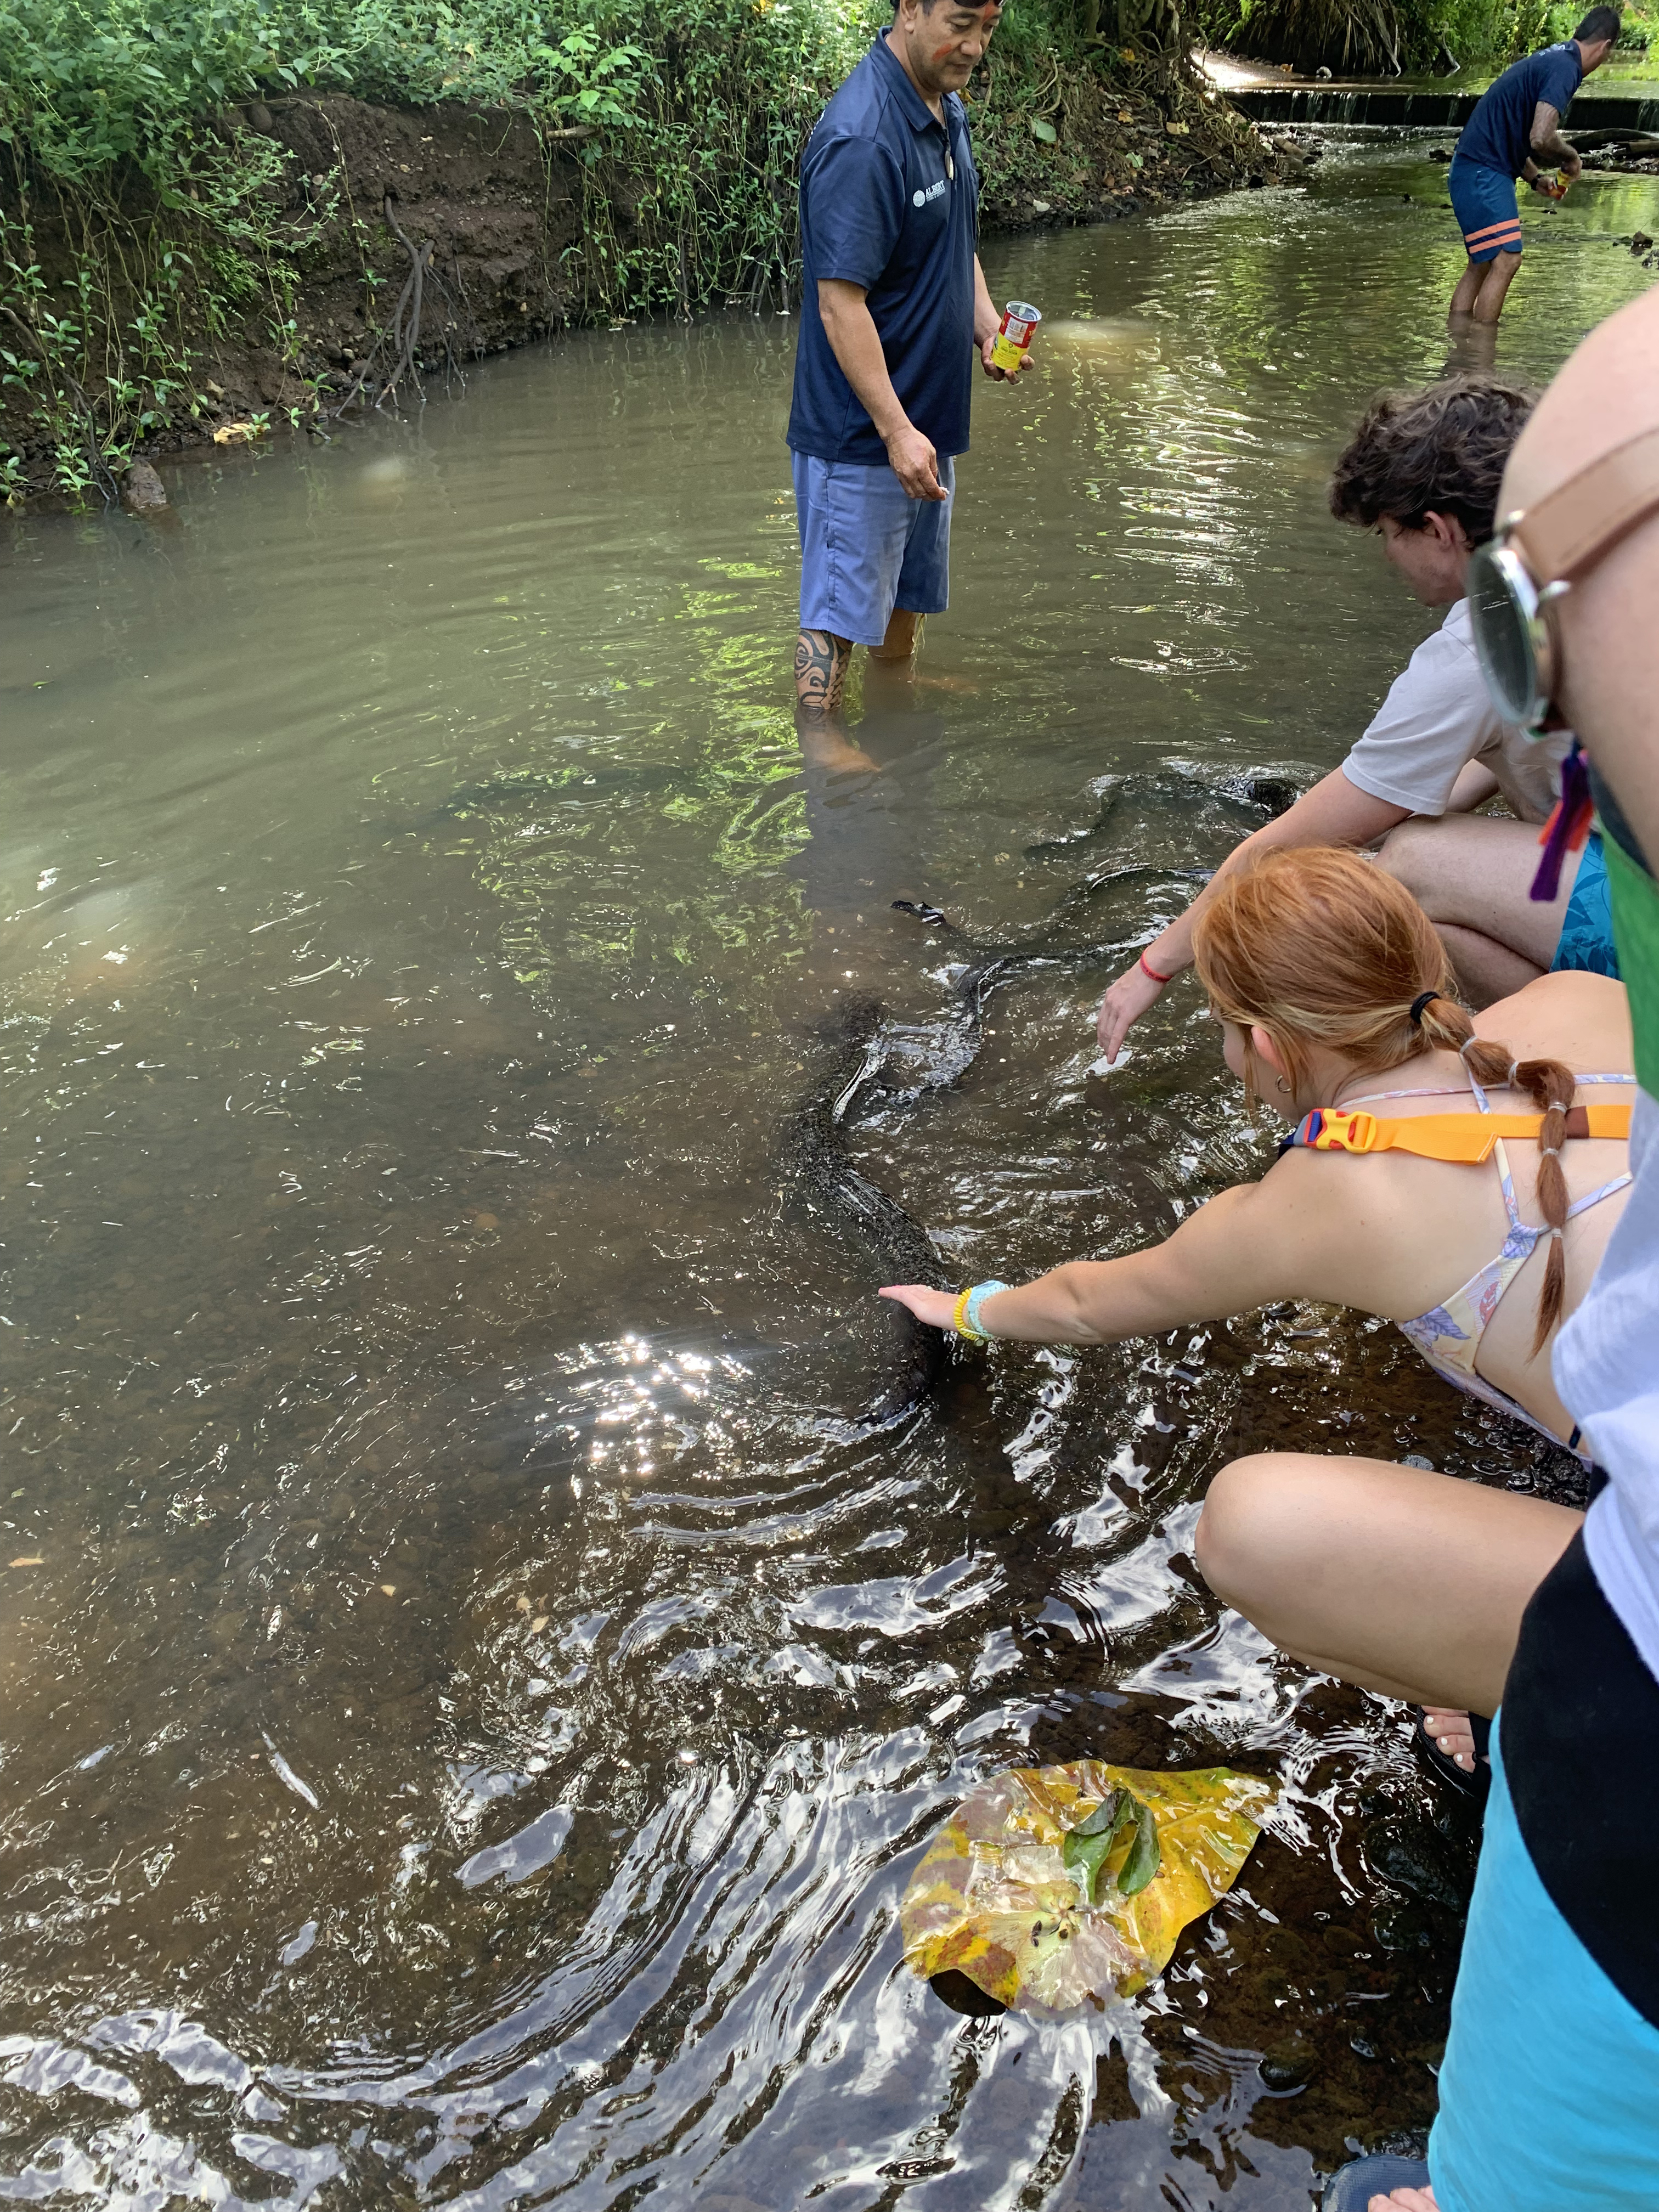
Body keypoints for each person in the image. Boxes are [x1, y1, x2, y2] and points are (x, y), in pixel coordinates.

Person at [1241, 288, 1659, 2212]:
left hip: (1629, 1720)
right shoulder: (1573, 1033)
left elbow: (1120, 1295)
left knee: (1252, 1522)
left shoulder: (1314, 1192)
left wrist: (980, 1305)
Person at [883, 841, 1632, 1478]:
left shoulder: (1319, 1200)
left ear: (1268, 1045)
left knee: (1251, 1520)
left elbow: (1087, 1305)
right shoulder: (1580, 994)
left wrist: (960, 1310)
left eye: (1223, 1028)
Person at [1094, 378, 1610, 1066]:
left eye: (1388, 533)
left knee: (1408, 868)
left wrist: (1152, 967)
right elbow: (1509, 755)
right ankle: (1578, 1028)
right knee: (1402, 856)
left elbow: (1280, 846)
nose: (1387, 557)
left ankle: (1596, 1040)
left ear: (1438, 530)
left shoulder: (1478, 647)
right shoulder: (1591, 559)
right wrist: (1381, 807)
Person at [786, 0, 1027, 729]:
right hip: (863, 435)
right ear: (910, 10)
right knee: (836, 606)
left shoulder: (942, 109)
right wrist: (894, 431)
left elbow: (951, 238)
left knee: (907, 590)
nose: (975, 45)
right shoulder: (865, 137)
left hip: (926, 419)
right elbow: (840, 305)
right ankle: (820, 742)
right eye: (961, 22)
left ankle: (899, 694)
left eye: (987, 28)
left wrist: (985, 323)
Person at [1445, 8, 1621, 327]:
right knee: (1508, 260)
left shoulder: (1553, 57)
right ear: (1605, 47)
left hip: (1472, 169)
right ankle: (1481, 363)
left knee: (1481, 263)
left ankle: (1461, 355)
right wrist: (1571, 157)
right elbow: (1541, 137)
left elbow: (1512, 129)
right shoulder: (1566, 68)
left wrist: (1534, 177)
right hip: (1484, 173)